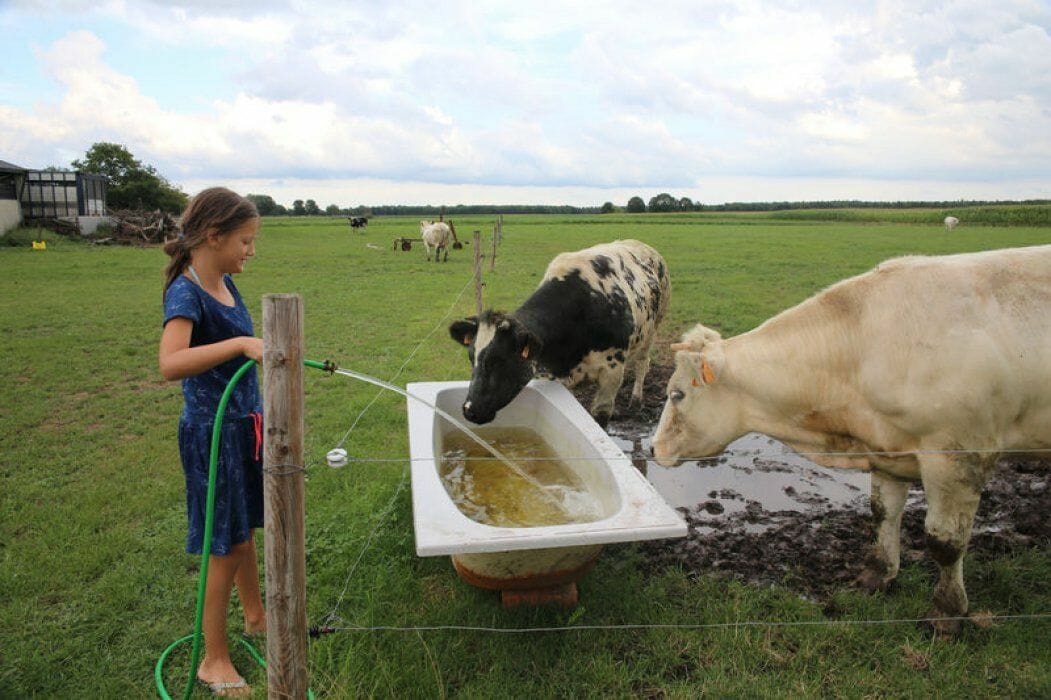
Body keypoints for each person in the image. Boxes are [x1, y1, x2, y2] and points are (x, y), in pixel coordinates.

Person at [159, 187, 265, 697]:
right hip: (212, 432)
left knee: (242, 530)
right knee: (223, 545)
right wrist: (243, 343)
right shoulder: (187, 291)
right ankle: (213, 659)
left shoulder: (223, 281)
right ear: (212, 235)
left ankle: (256, 615)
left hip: (242, 427)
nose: (250, 250)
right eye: (243, 240)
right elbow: (169, 362)